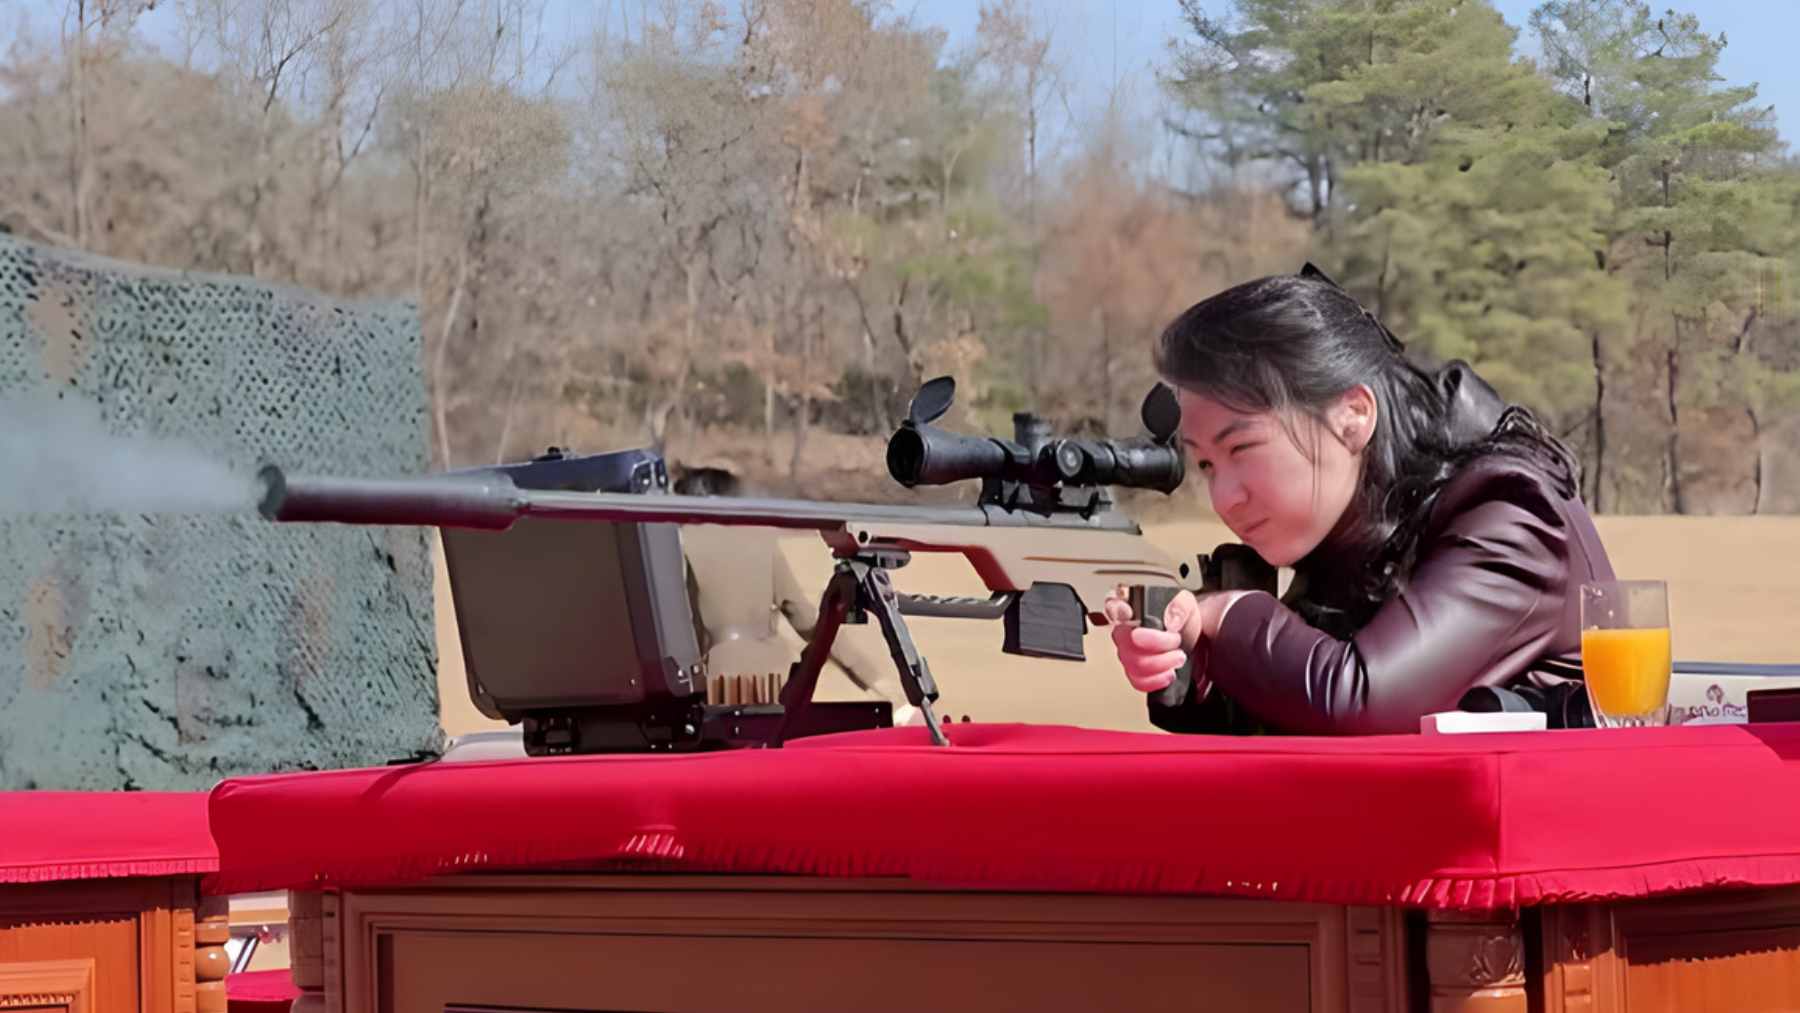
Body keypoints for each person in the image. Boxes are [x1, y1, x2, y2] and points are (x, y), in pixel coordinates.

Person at [1103, 264, 1616, 734]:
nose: (1223, 498)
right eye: (1206, 465)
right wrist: (1188, 653)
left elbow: (1360, 701)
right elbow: (1288, 723)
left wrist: (1227, 614)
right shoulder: (1352, 518)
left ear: (1353, 415)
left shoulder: (1508, 511)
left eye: (1242, 448)